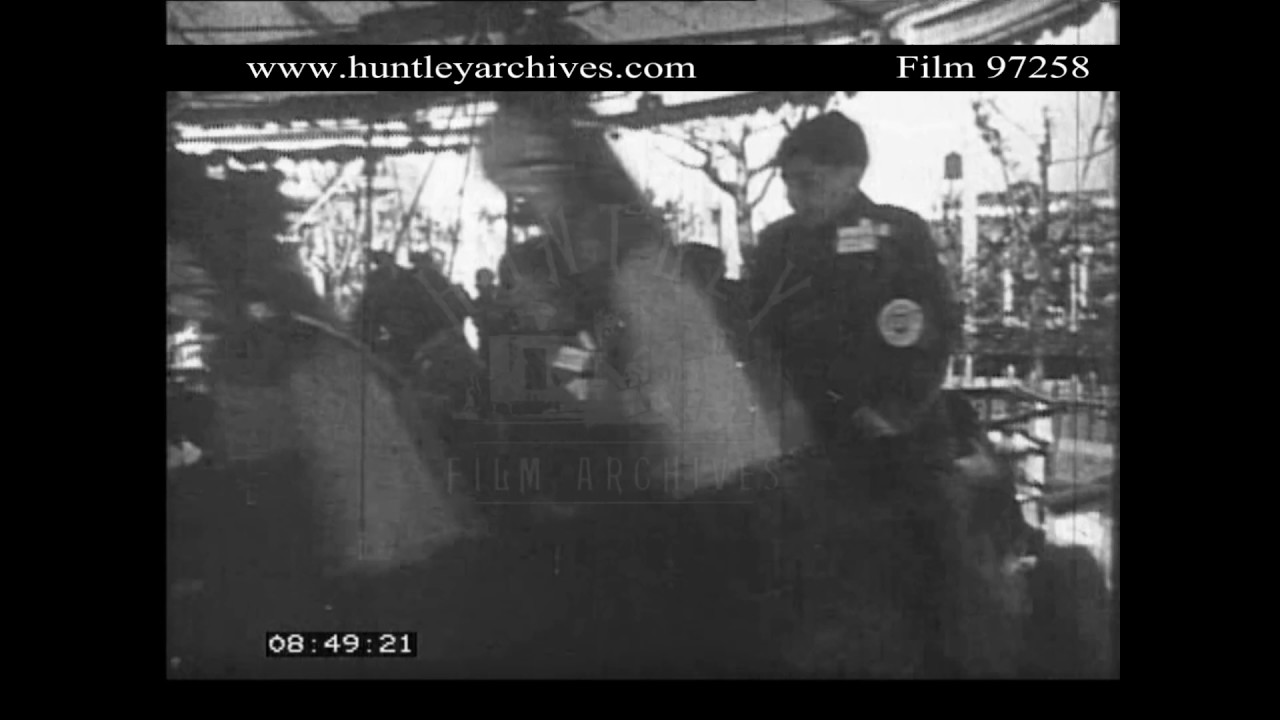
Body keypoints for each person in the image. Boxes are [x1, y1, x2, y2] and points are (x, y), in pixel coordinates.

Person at [747, 112, 963, 462]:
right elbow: (757, 338)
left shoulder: (899, 236)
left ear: (852, 173)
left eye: (808, 182)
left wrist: (893, 414)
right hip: (799, 441)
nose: (793, 197)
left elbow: (934, 330)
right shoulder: (777, 245)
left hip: (894, 442)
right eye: (787, 183)